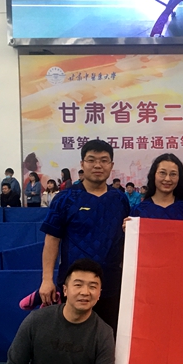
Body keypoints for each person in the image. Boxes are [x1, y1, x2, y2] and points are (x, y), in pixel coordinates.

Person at [39, 140, 131, 334]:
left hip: (112, 285)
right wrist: (47, 280)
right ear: (82, 164)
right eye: (91, 160)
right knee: (72, 339)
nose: (98, 165)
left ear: (111, 165)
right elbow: (52, 240)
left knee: (109, 338)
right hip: (75, 286)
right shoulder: (65, 198)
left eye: (104, 160)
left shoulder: (120, 199)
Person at [130, 154, 183, 221]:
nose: (167, 179)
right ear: (153, 175)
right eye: (162, 173)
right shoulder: (138, 210)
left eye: (173, 174)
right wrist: (128, 226)